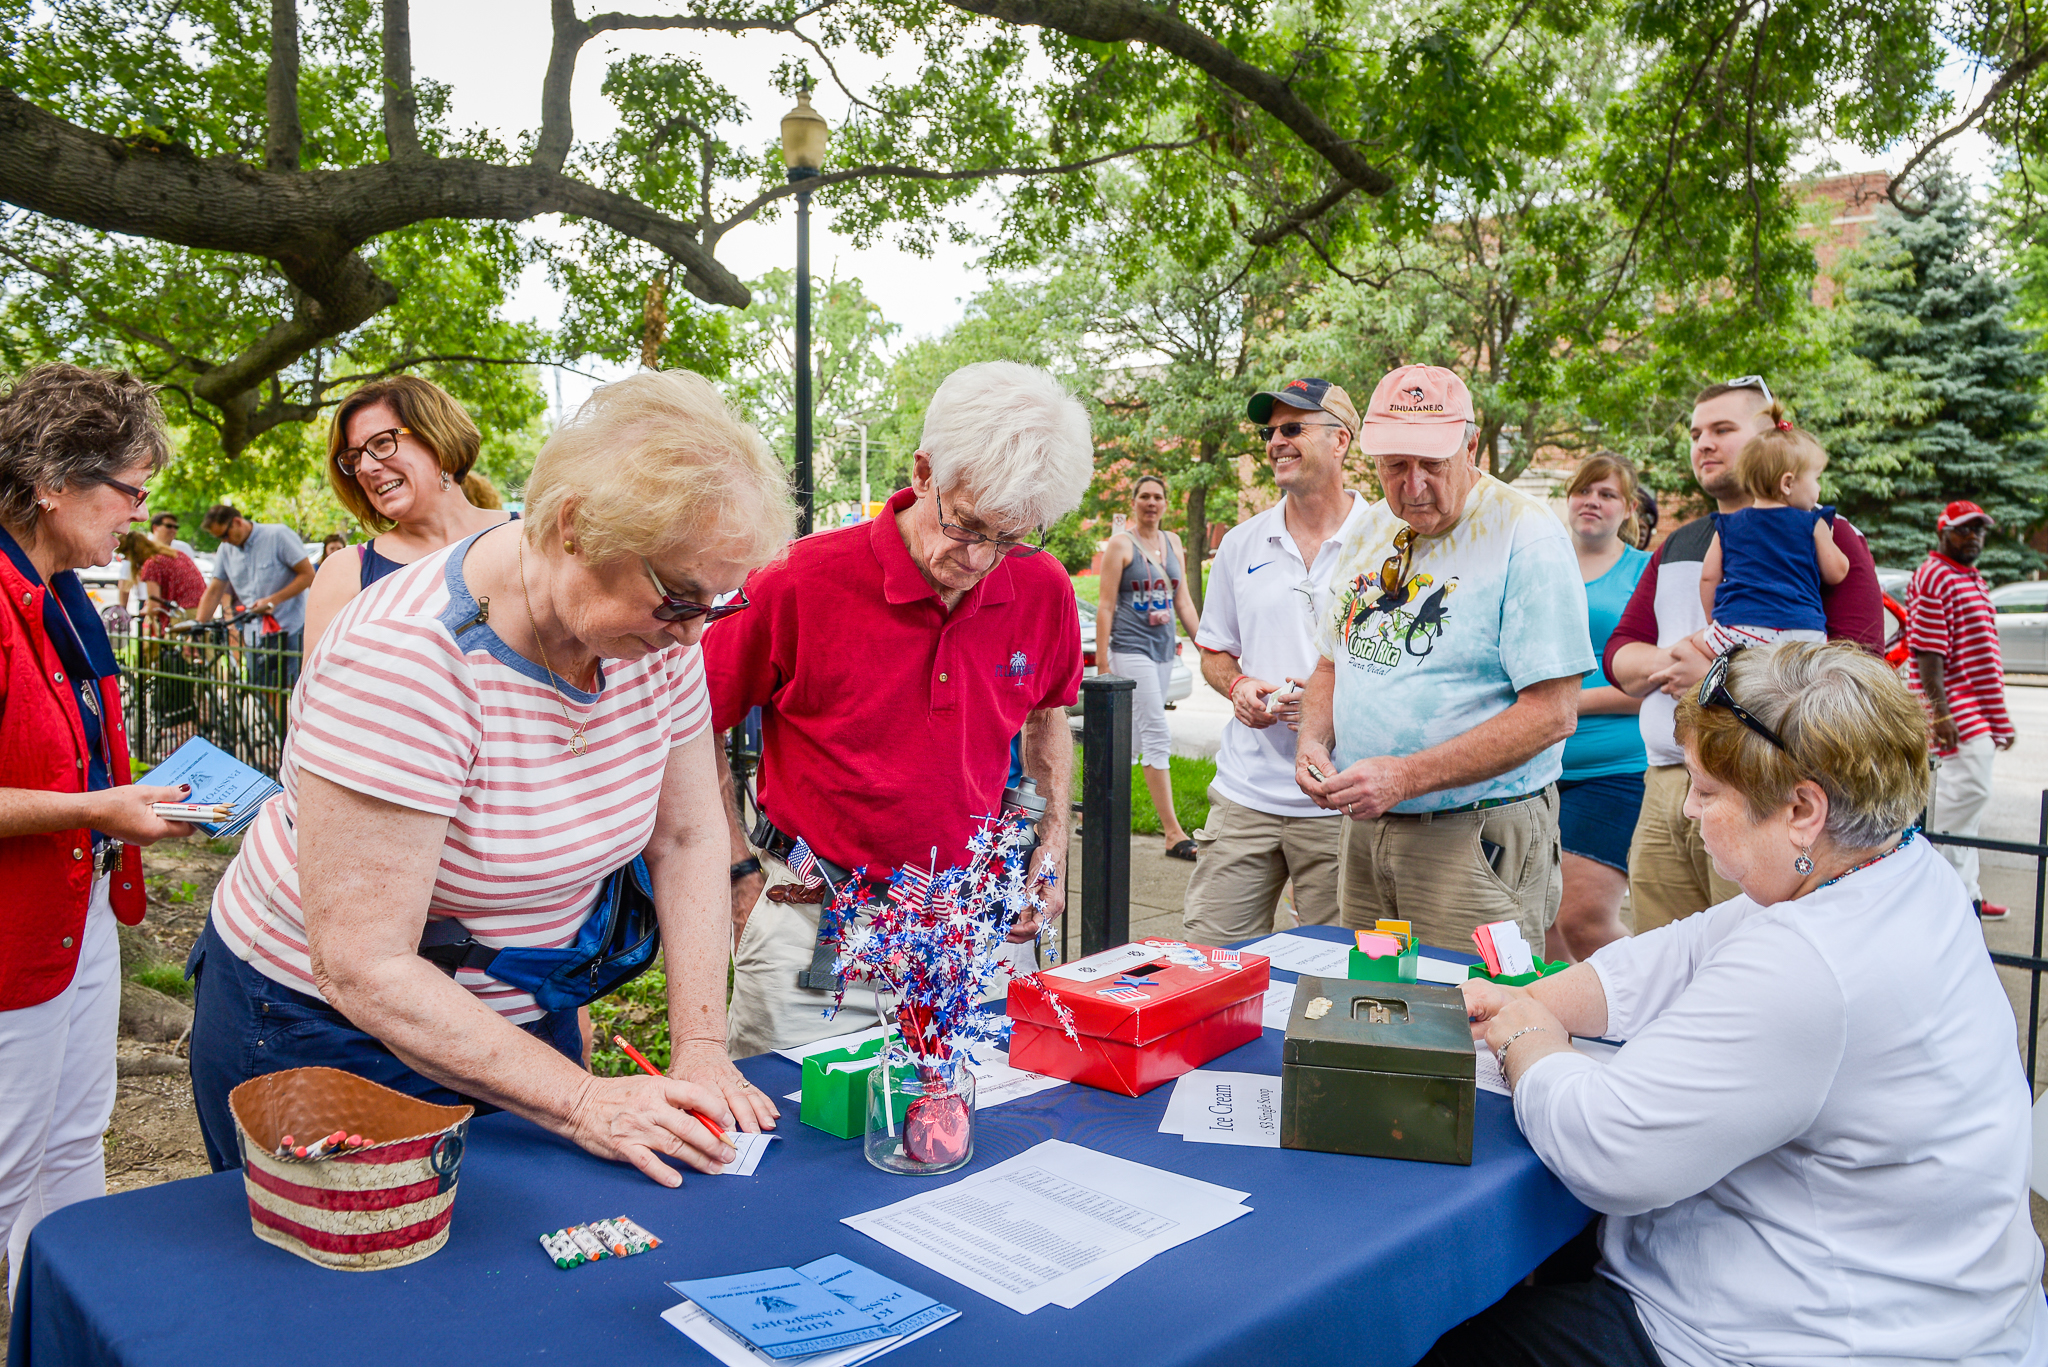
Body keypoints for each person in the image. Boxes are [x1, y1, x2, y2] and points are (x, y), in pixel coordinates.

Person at [187, 369, 792, 1188]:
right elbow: (365, 963)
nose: (691, 639)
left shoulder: (657, 637)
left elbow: (687, 835)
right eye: (678, 599)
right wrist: (582, 1101)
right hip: (321, 1029)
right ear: (574, 526)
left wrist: (703, 1048)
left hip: (510, 1009)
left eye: (715, 607)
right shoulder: (407, 656)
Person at [1439, 642, 2043, 1367]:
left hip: (1803, 1339)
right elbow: (1681, 952)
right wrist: (1530, 995)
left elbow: (1613, 1151)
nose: (1689, 810)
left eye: (1705, 789)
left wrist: (1527, 1035)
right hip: (1904, 1307)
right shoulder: (1891, 864)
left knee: (1432, 1342)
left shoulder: (1814, 963)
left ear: (1801, 809)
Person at [708, 361, 1090, 1057]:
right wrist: (735, 870)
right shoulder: (796, 580)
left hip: (974, 927)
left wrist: (1053, 842)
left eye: (1009, 539)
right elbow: (691, 720)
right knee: (797, 1145)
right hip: (817, 925)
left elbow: (1046, 716)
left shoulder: (1041, 587)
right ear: (922, 473)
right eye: (968, 525)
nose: (978, 560)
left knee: (980, 1135)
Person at [0, 363, 196, 1300]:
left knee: (75, 1139)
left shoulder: (63, 597)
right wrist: (96, 808)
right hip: (12, 941)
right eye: (130, 490)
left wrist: (133, 798)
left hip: (77, 920)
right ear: (51, 480)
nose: (138, 514)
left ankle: (62, 1322)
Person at [1295, 364, 1592, 953]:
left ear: (1472, 446)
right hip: (1368, 828)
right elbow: (1333, 663)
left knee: (1475, 1022)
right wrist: (1311, 741)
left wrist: (1406, 776)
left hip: (1475, 837)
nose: (1413, 486)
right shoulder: (1372, 527)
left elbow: (1553, 714)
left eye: (1432, 464)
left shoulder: (1525, 534)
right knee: (1371, 1012)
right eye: (1395, 466)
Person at [1604, 377, 1885, 934]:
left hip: (1769, 792)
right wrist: (1673, 667)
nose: (1702, 444)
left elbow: (1860, 666)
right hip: (1666, 787)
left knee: (1756, 957)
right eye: (1695, 433)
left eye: (1722, 430)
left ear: (1768, 440)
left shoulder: (1826, 532)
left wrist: (1710, 676)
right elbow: (1620, 653)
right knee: (1661, 960)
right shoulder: (1680, 543)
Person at [1183, 378, 1367, 941]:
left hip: (1343, 802)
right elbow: (1215, 649)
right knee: (1208, 963)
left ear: (1340, 441)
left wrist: (1325, 703)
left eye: (1292, 429)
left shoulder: (1387, 540)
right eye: (1270, 432)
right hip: (1246, 797)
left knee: (1340, 981)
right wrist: (1237, 685)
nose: (1275, 443)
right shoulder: (1242, 542)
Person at [301, 377, 517, 654]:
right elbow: (317, 693)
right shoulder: (346, 572)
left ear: (437, 438)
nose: (365, 467)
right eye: (353, 457)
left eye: (381, 443)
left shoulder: (534, 537)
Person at [1552, 454, 1650, 961]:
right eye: (1583, 490)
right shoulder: (1541, 562)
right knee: (1538, 925)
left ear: (1629, 509)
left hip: (1613, 770)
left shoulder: (1643, 572)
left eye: (1607, 494)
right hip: (1533, 769)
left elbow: (1651, 681)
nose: (1592, 501)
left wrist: (1561, 706)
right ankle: (1577, 1029)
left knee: (1582, 921)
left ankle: (1659, 1009)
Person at [1907, 499, 2016, 920]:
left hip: (1975, 708)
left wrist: (1998, 719)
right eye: (1963, 530)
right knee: (1959, 804)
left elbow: (1983, 661)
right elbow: (1928, 653)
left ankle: (1966, 891)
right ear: (1943, 532)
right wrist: (1940, 713)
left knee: (1967, 813)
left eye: (1979, 530)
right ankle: (1945, 898)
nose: (1974, 537)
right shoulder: (1935, 574)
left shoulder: (1970, 578)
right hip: (1955, 709)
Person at [1098, 474, 1204, 860]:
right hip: (1130, 651)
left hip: (1163, 652)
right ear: (1134, 501)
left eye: (1158, 496)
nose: (1151, 502)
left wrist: (1207, 649)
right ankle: (1173, 833)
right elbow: (1106, 605)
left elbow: (1185, 604)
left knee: (1133, 743)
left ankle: (1100, 813)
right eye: (1144, 496)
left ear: (1166, 502)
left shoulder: (1173, 542)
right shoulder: (1121, 545)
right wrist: (1103, 666)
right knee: (1157, 736)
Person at [1691, 423, 1849, 655]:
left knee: (1693, 642)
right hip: (1803, 633)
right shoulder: (1813, 523)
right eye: (1816, 479)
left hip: (1740, 629)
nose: (1818, 488)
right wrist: (1830, 540)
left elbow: (1708, 577)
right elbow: (1837, 572)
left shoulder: (1728, 525)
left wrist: (1714, 621)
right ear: (1787, 484)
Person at [194, 503, 314, 692]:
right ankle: (275, 722)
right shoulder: (226, 550)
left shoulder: (277, 535)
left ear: (237, 522)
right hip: (255, 635)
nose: (224, 541)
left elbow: (308, 575)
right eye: (219, 538)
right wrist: (198, 626)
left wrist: (274, 599)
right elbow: (215, 590)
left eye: (225, 535)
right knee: (263, 691)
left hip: (291, 628)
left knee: (294, 691)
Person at [117, 529, 204, 626]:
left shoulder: (152, 563)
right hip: (202, 610)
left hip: (180, 615)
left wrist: (144, 612)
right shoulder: (175, 554)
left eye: (126, 556)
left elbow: (155, 608)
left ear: (132, 553)